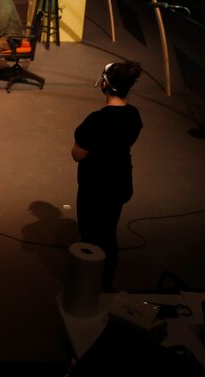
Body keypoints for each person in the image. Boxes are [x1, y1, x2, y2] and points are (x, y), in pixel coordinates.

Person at [72, 61, 143, 291]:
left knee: (90, 235)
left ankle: (88, 285)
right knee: (109, 231)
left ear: (104, 83)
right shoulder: (134, 115)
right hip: (120, 182)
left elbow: (78, 154)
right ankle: (106, 281)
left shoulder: (96, 121)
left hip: (95, 186)